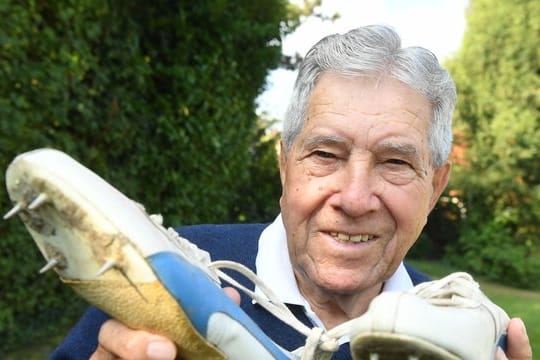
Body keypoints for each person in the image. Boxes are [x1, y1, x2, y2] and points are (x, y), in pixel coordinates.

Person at [51, 25, 532, 360]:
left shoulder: (468, 334)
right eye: (326, 155)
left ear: (436, 186)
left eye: (395, 162)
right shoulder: (169, 269)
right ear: (285, 166)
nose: (355, 198)